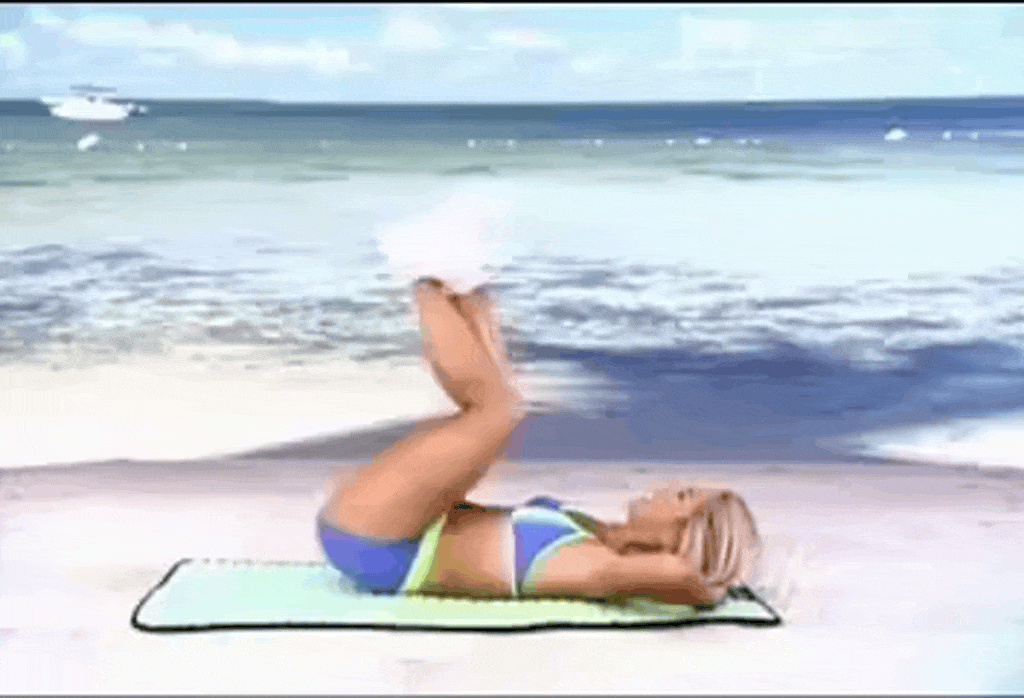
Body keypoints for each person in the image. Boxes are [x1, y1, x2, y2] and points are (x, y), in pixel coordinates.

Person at [318, 278, 761, 605]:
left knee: (496, 412)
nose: (667, 489)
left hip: (381, 543)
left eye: (682, 497)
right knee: (500, 385)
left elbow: (687, 579)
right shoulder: (599, 536)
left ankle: (420, 278)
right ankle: (463, 289)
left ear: (679, 538)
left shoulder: (592, 566)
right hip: (396, 527)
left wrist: (711, 570)